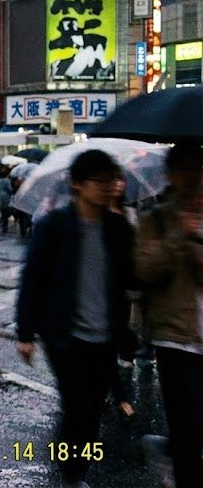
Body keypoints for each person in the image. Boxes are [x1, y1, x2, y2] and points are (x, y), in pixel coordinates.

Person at [15, 150, 135, 488]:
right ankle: (71, 475)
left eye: (111, 180)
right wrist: (25, 332)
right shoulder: (54, 226)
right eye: (100, 181)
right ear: (78, 185)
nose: (108, 187)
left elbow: (131, 279)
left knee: (93, 409)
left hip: (104, 334)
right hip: (64, 334)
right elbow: (33, 278)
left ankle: (75, 463)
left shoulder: (118, 227)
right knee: (77, 405)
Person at [135, 143, 203, 488]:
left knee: (195, 423)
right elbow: (144, 271)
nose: (192, 179)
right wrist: (179, 236)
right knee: (188, 421)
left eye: (197, 169)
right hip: (173, 336)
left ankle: (173, 447)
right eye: (184, 170)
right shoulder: (154, 219)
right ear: (171, 176)